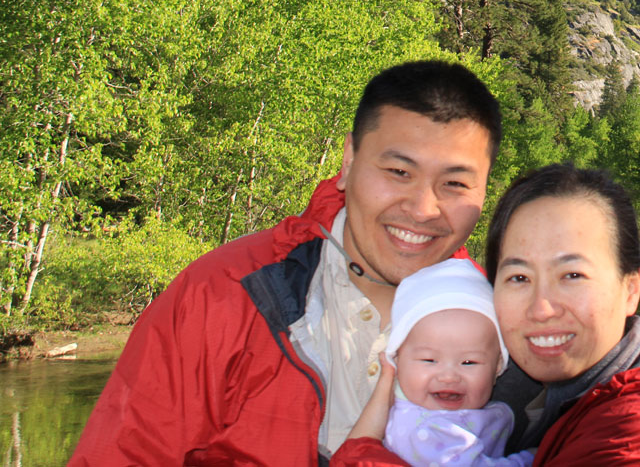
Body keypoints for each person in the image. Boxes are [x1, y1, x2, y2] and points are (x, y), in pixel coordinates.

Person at [69, 59, 502, 466]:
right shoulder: (225, 294)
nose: (424, 208)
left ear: (484, 191)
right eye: (398, 172)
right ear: (349, 159)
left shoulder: (505, 320)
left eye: (455, 183)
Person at [335, 163, 640, 465]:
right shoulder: (525, 388)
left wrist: (361, 451)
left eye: (572, 275)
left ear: (630, 289)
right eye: (519, 276)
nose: (541, 308)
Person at [366, 259, 534, 466]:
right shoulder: (425, 433)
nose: (448, 376)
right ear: (397, 360)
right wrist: (538, 457)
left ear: (498, 366)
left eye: (468, 362)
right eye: (429, 360)